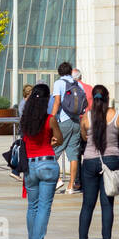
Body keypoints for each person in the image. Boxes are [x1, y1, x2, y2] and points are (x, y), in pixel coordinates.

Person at [76, 84, 119, 239]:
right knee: (107, 205)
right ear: (107, 97)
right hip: (111, 160)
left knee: (87, 205)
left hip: (89, 161)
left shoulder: (86, 117)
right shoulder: (117, 115)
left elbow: (83, 136)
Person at [19, 83, 64, 239]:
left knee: (32, 206)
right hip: (47, 164)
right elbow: (59, 139)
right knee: (44, 206)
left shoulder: (25, 120)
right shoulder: (49, 119)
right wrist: (52, 140)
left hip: (30, 164)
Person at [50, 62, 86, 193]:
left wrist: (51, 117)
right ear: (70, 71)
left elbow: (57, 102)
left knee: (53, 151)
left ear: (59, 72)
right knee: (73, 155)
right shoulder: (77, 83)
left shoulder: (59, 83)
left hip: (63, 121)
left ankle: (57, 179)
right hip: (76, 121)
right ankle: (71, 185)